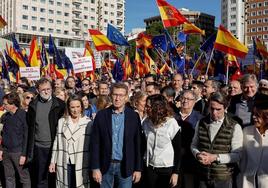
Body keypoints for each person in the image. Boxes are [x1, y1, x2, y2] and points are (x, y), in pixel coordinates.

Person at [90, 82, 142, 188]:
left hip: (126, 166)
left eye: (121, 95)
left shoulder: (133, 116)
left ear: (126, 97)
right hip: (105, 166)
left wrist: (138, 168)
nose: (117, 98)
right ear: (111, 95)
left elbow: (137, 144)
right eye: (115, 95)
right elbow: (95, 143)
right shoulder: (101, 115)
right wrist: (95, 168)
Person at [191, 92, 243, 188]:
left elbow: (238, 155)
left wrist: (215, 157)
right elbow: (194, 145)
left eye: (218, 109)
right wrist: (197, 154)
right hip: (202, 176)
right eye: (212, 108)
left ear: (225, 108)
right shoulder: (201, 123)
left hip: (223, 178)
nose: (214, 112)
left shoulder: (234, 126)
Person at [26, 78, 65, 188]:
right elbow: (30, 126)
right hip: (39, 148)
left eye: (48, 89)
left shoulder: (60, 105)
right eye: (43, 90)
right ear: (38, 90)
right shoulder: (33, 105)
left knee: (56, 177)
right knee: (41, 178)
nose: (47, 91)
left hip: (55, 147)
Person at [49, 95, 92, 188]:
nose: (75, 110)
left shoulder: (88, 122)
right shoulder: (62, 121)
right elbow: (57, 142)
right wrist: (53, 161)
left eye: (78, 107)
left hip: (81, 161)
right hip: (64, 159)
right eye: (72, 107)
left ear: (82, 107)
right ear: (68, 107)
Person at [142, 94, 181, 188]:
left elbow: (178, 150)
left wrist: (175, 173)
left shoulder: (171, 123)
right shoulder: (146, 122)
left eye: (149, 106)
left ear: (158, 108)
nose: (146, 108)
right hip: (150, 167)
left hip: (167, 169)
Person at [0, 92, 31, 188]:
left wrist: (24, 155)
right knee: (9, 177)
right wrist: (1, 149)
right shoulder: (5, 117)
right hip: (6, 152)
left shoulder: (23, 115)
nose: (3, 106)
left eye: (5, 104)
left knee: (24, 178)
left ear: (13, 104)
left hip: (18, 152)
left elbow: (27, 136)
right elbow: (2, 135)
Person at [237, 95, 268, 188]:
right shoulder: (247, 131)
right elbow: (240, 155)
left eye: (258, 115)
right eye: (253, 114)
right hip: (247, 181)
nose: (254, 117)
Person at [177, 90, 202, 188]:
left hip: (191, 161)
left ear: (194, 101)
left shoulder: (200, 118)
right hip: (174, 161)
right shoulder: (172, 116)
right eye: (183, 98)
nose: (185, 101)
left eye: (189, 99)